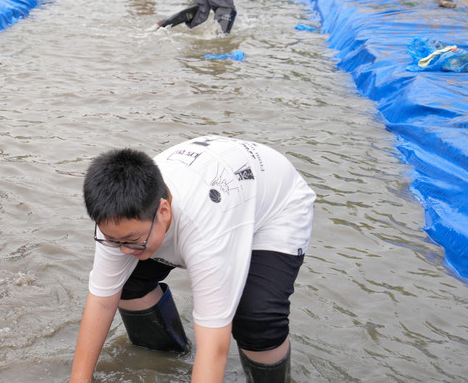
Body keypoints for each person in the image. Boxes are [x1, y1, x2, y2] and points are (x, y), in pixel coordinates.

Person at [69, 137, 315, 383]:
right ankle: (166, 361)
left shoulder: (204, 232)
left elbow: (214, 345)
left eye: (131, 240)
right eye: (113, 240)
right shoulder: (118, 216)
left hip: (275, 207)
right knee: (127, 282)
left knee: (257, 319)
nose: (122, 250)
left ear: (164, 211)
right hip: (213, 180)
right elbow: (101, 301)